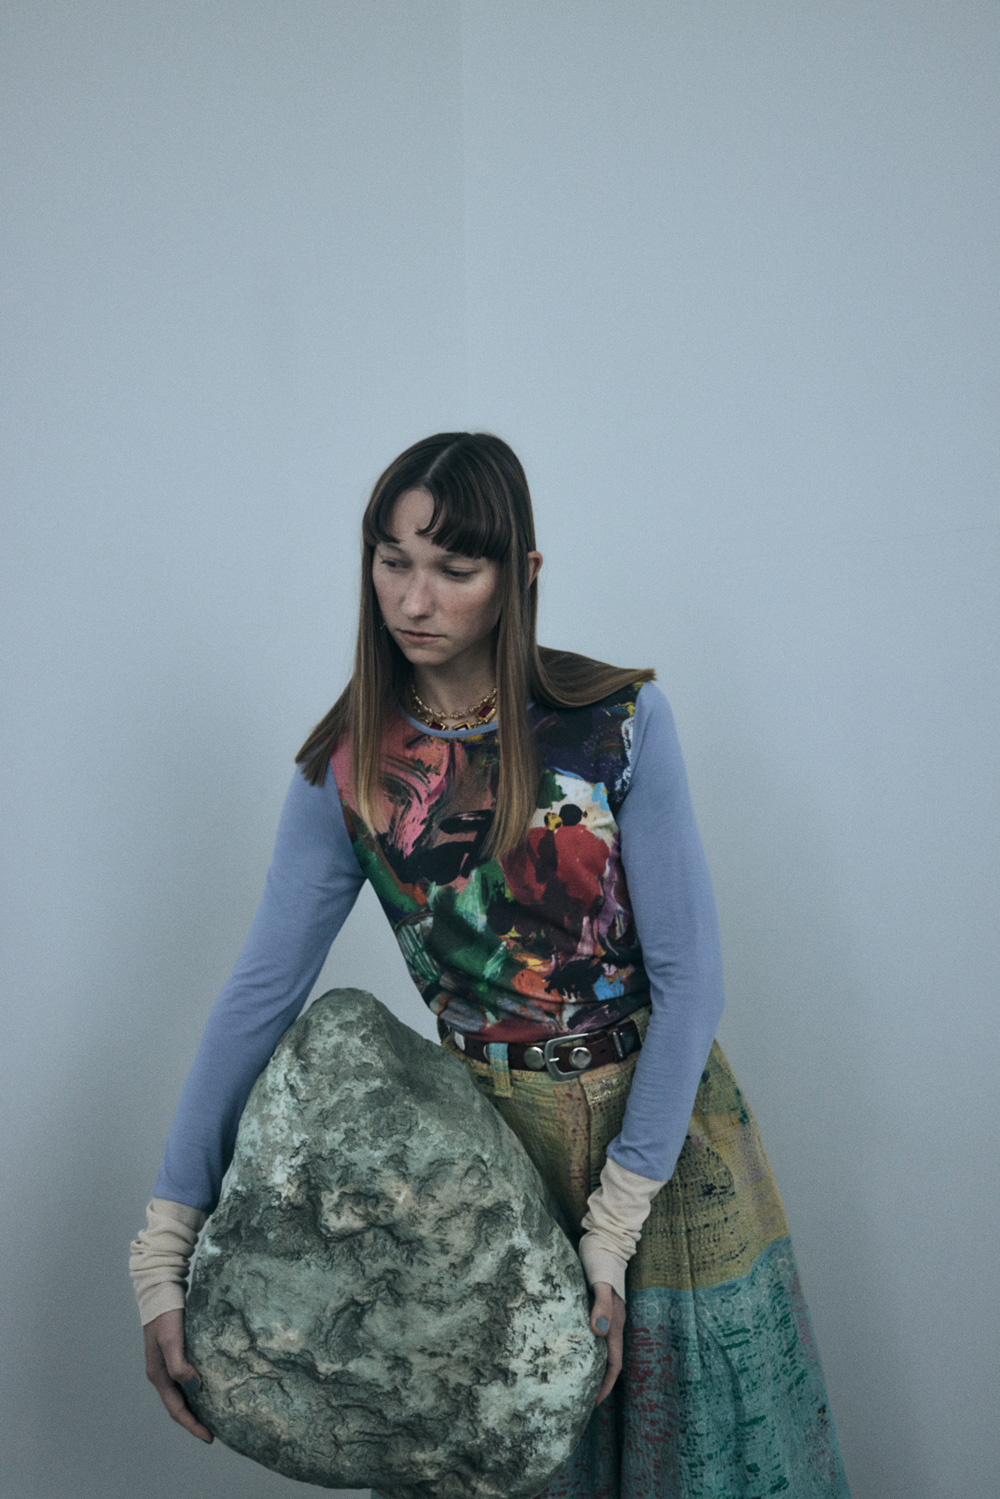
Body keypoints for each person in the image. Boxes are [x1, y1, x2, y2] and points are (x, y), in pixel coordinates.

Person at [130, 432, 850, 1497]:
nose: (413, 598)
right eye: (392, 560)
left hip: (658, 1143)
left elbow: (692, 982)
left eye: (454, 568)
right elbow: (258, 998)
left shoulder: (614, 723)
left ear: (521, 574)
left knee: (698, 1458)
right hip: (471, 1158)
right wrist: (163, 1249)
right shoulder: (349, 768)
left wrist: (614, 1225)